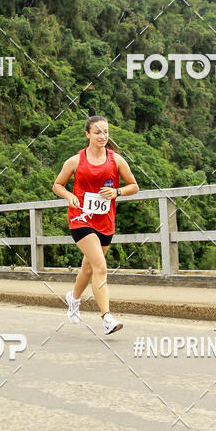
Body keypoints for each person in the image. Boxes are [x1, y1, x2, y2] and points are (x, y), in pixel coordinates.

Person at [52, 115, 139, 334]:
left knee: (89, 267)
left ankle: (74, 298)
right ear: (88, 134)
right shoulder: (75, 161)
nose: (103, 136)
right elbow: (57, 185)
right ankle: (106, 317)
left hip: (105, 221)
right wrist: (70, 196)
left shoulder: (116, 160)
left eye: (106, 132)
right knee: (100, 266)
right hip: (80, 218)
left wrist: (117, 191)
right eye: (98, 132)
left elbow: (134, 186)